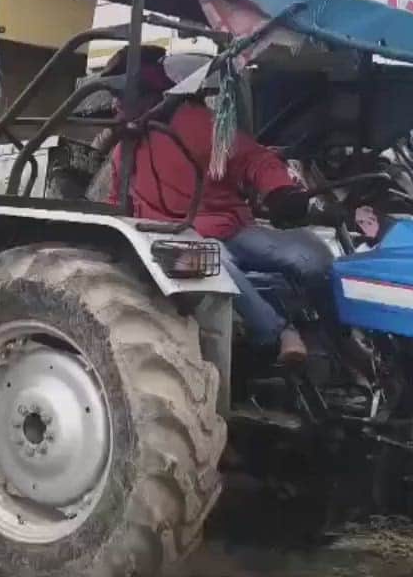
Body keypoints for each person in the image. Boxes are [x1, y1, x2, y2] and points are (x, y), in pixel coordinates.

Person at [107, 74, 329, 366]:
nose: (115, 105)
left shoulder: (197, 126)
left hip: (230, 226)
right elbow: (115, 202)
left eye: (122, 97)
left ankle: (333, 335)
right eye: (115, 98)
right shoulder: (124, 150)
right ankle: (277, 332)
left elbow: (252, 158)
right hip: (172, 239)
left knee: (311, 257)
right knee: (213, 262)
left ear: (151, 96)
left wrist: (279, 191)